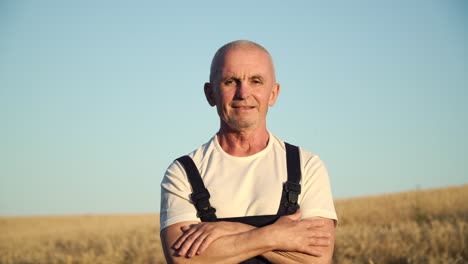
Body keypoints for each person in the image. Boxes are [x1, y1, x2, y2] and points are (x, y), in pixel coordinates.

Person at [160, 40, 337, 263]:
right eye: (230, 81)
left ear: (273, 94)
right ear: (210, 94)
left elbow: (318, 258)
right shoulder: (183, 172)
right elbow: (183, 260)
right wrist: (275, 235)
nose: (243, 93)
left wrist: (226, 230)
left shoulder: (306, 166)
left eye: (256, 81)